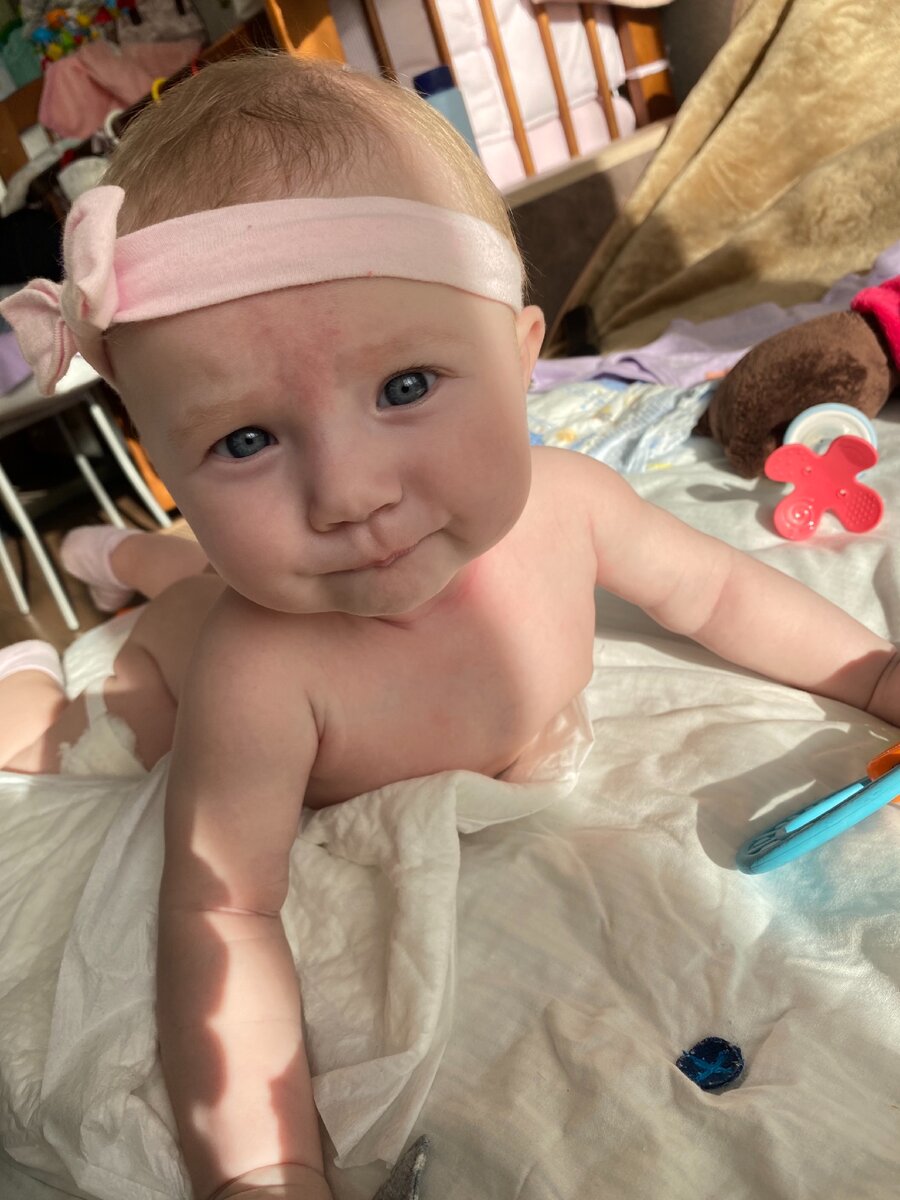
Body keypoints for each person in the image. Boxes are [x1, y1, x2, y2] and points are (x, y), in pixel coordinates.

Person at [2, 52, 900, 1200]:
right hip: (181, 651)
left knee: (195, 572)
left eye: (406, 387)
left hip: (236, 581)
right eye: (245, 441)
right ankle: (52, 635)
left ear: (522, 360)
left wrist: (872, 671)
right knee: (82, 720)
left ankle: (124, 554)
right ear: (166, 461)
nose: (349, 494)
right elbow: (222, 907)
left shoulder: (571, 506)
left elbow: (719, 592)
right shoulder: (256, 672)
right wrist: (264, 1169)